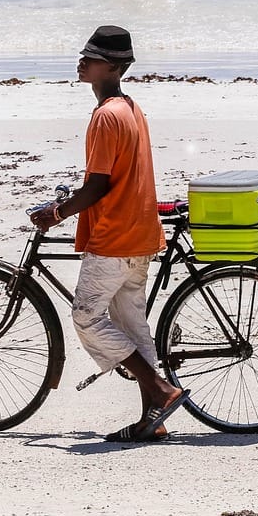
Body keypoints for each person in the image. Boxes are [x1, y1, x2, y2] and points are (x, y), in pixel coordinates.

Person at [28, 25, 188, 442]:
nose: (82, 61)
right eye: (84, 54)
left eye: (92, 57)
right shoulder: (131, 108)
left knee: (86, 316)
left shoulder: (105, 116)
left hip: (114, 236)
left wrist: (57, 211)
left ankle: (160, 389)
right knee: (134, 328)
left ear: (113, 66)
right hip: (141, 233)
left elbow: (99, 186)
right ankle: (154, 419)